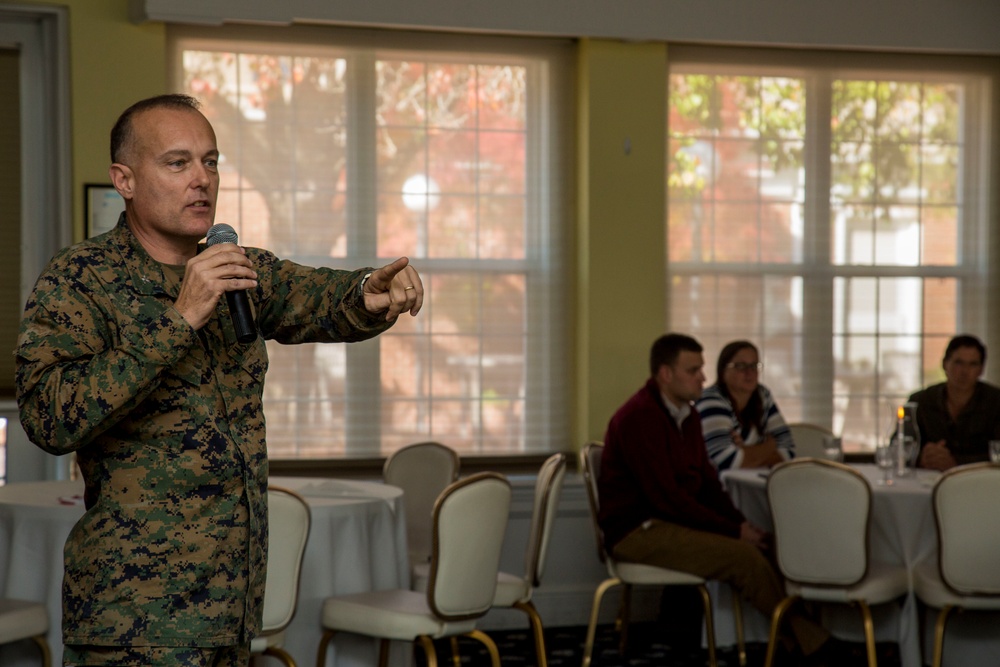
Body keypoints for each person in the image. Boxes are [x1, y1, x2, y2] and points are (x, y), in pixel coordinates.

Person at [15, 94, 424, 666]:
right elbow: (49, 417)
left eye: (210, 162)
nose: (202, 180)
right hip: (135, 622)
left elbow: (321, 297)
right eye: (177, 163)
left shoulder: (234, 265)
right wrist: (178, 319)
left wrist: (369, 293)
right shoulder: (82, 278)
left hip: (233, 609)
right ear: (124, 180)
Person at [598, 333, 842, 664]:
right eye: (693, 370)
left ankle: (803, 638)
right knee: (743, 557)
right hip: (637, 531)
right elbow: (667, 499)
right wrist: (733, 532)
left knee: (767, 544)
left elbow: (709, 485)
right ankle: (815, 644)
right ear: (666, 374)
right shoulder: (641, 417)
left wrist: (741, 525)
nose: (702, 377)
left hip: (665, 521)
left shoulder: (684, 414)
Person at [696, 340, 795, 470]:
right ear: (723, 371)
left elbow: (789, 449)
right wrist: (770, 446)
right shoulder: (710, 399)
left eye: (754, 365)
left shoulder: (762, 394)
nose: (750, 372)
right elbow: (726, 461)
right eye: (740, 366)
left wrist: (744, 451)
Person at [908, 334, 1000, 471]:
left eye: (973, 364)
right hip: (926, 481)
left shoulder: (996, 402)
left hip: (982, 483)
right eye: (958, 362)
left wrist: (955, 462)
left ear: (981, 369)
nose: (964, 371)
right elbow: (898, 447)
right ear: (945, 364)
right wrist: (921, 457)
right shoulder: (921, 401)